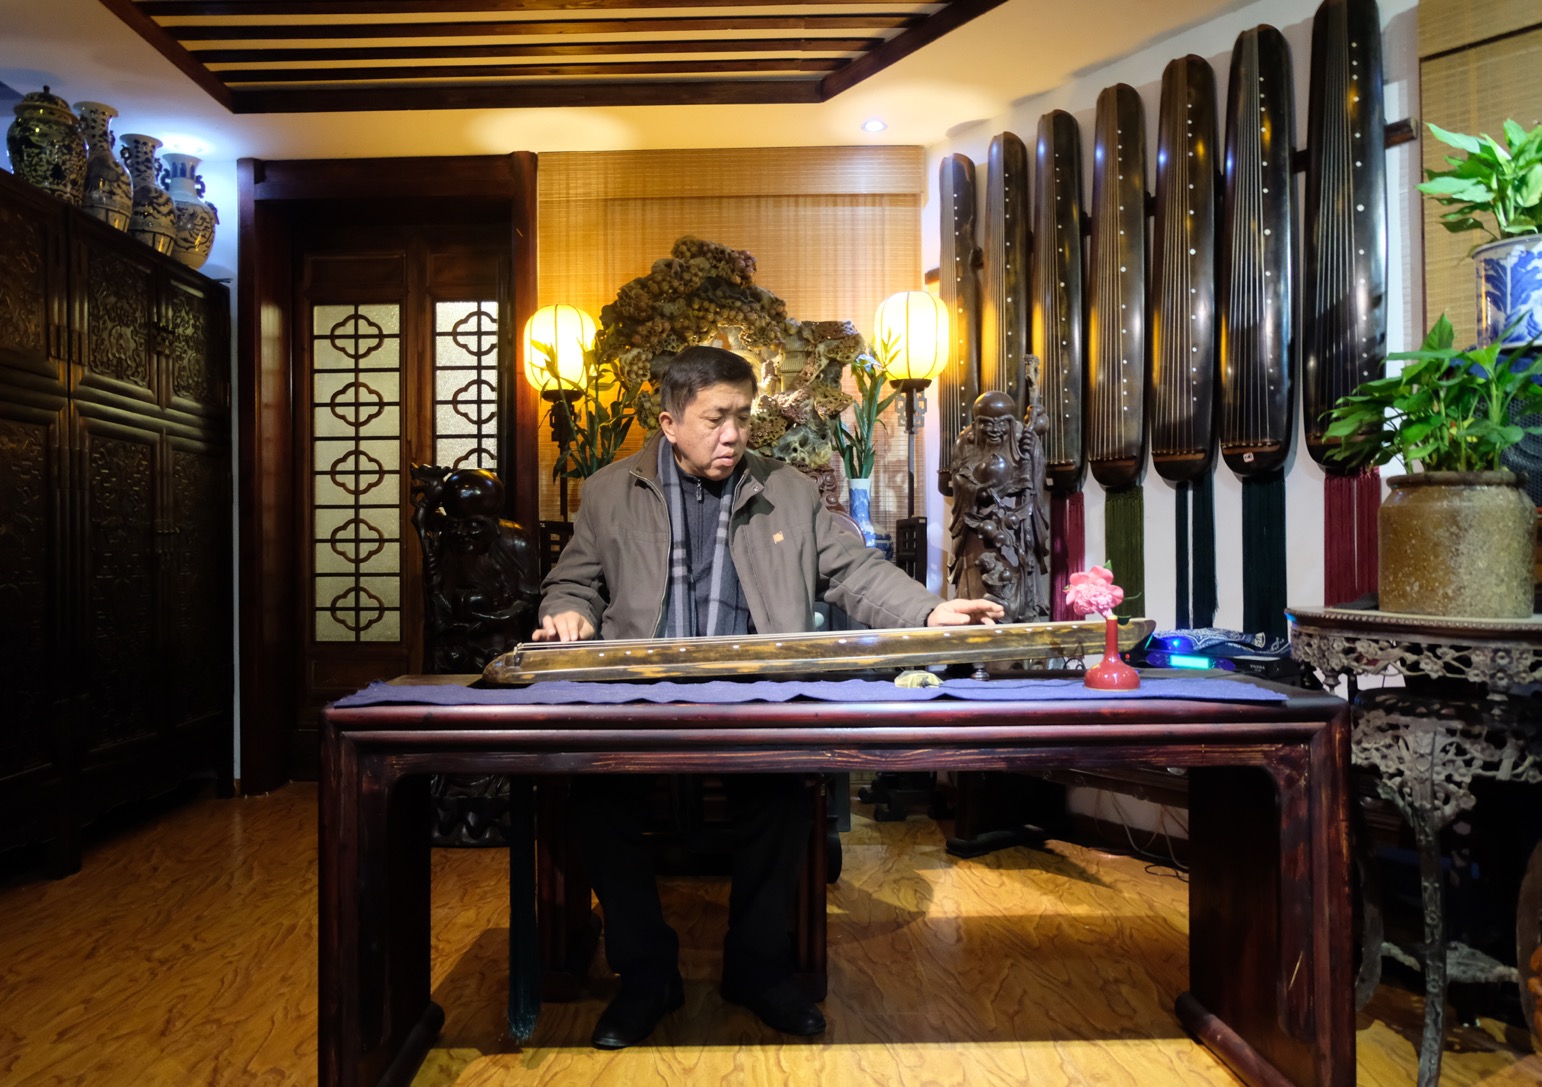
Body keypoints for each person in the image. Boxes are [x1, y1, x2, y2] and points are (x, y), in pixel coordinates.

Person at [535, 345, 1003, 1049]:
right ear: (669, 422)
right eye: (715, 418)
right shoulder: (608, 492)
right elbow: (574, 581)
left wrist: (929, 610)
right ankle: (647, 976)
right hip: (643, 697)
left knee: (785, 800)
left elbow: (853, 571)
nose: (733, 434)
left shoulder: (786, 489)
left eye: (743, 418)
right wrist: (568, 611)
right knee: (595, 806)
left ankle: (756, 969)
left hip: (754, 695)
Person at [947, 390, 1051, 622]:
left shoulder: (1023, 438)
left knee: (1016, 578)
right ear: (977, 423)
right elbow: (958, 480)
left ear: (1010, 422)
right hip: (977, 529)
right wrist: (977, 491)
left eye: (1001, 423)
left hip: (1015, 529)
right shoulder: (965, 441)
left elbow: (1034, 481)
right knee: (976, 584)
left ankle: (1019, 614)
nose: (994, 430)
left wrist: (1032, 454)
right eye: (986, 423)